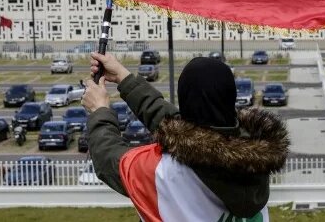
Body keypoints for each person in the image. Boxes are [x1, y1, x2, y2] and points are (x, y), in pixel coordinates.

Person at [82, 51, 289, 221]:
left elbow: (108, 158)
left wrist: (99, 109)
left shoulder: (164, 173)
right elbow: (179, 126)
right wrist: (123, 77)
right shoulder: (253, 158)